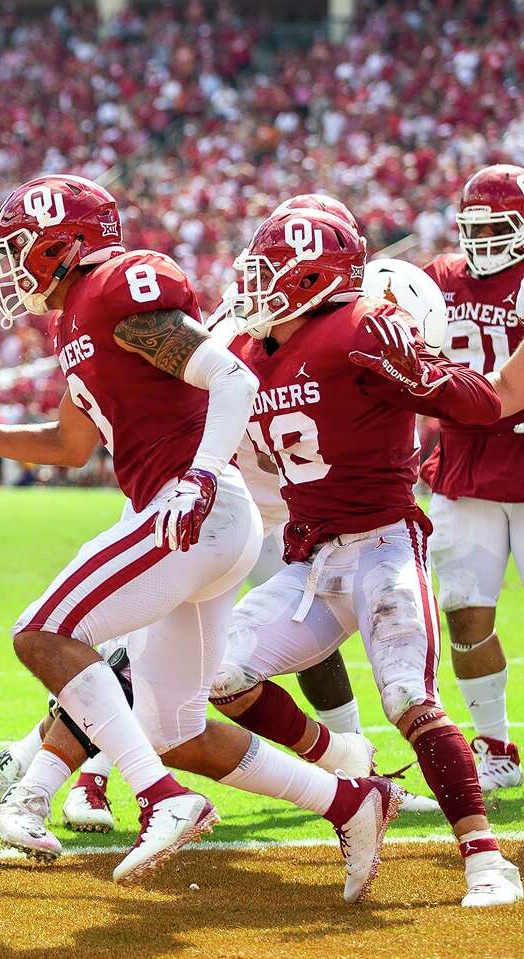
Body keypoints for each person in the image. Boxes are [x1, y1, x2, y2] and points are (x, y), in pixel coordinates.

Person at [0, 175, 399, 901]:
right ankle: (350, 801)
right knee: (176, 727)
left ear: (67, 245)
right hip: (202, 519)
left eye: (22, 249)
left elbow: (231, 379)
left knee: (41, 633)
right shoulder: (74, 317)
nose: (11, 267)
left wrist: (195, 476)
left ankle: (160, 797)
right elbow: (68, 445)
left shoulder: (119, 285)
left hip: (190, 508)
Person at [208, 206, 520, 908]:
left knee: (408, 695)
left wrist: (423, 369)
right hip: (311, 563)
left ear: (317, 278)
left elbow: (480, 405)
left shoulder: (359, 329)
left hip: (383, 544)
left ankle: (485, 860)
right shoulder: (251, 351)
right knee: (221, 673)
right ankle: (349, 774)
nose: (255, 282)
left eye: (272, 269)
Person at [419, 164, 524, 791]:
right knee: (465, 613)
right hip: (465, 466)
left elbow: (509, 390)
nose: (482, 237)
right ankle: (496, 747)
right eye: (474, 225)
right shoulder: (438, 280)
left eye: (497, 225)